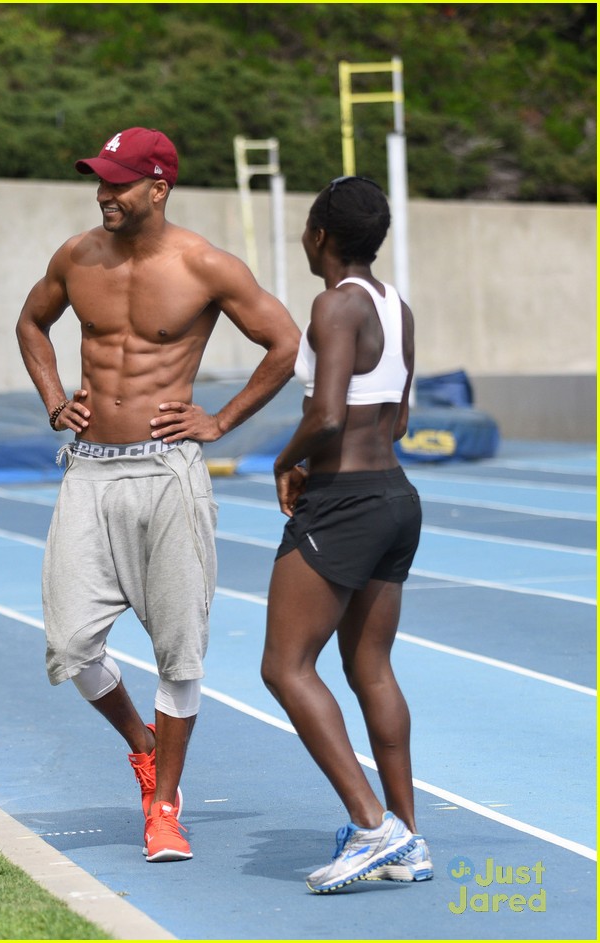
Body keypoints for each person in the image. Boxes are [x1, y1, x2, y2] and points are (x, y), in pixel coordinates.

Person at [16, 127, 300, 862]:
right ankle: (144, 747)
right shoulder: (76, 257)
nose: (105, 193)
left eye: (118, 182)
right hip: (88, 469)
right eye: (99, 181)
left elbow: (285, 341)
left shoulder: (202, 263)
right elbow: (32, 322)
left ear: (158, 187)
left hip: (167, 471)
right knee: (71, 645)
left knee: (179, 654)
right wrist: (54, 398)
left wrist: (223, 418)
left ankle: (165, 805)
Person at [259, 175, 429, 893]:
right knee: (371, 670)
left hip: (346, 503)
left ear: (321, 236)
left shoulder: (334, 306)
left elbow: (327, 413)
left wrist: (287, 459)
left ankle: (372, 825)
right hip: (395, 496)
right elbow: (399, 417)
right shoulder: (399, 308)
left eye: (306, 226)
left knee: (284, 666)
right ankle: (408, 838)